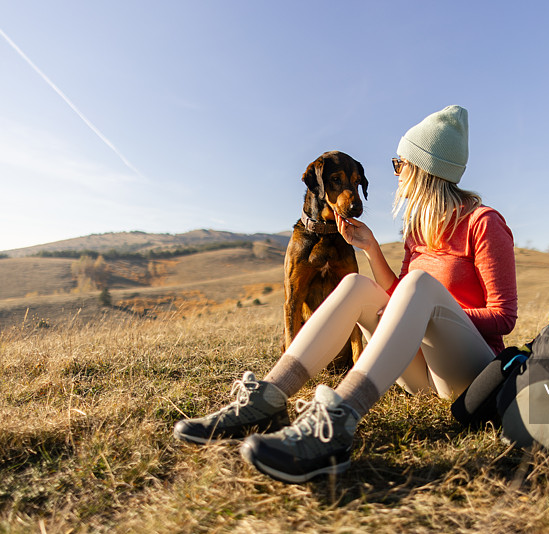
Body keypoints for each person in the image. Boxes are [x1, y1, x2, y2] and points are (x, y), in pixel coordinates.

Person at [173, 105, 518, 483]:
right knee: (354, 284)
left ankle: (335, 426)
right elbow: (399, 295)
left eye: (399, 164)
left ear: (424, 169)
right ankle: (267, 400)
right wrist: (370, 248)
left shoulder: (484, 223)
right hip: (422, 375)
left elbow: (503, 316)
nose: (396, 173)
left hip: (467, 372)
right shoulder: (419, 228)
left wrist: (423, 317)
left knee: (419, 287)